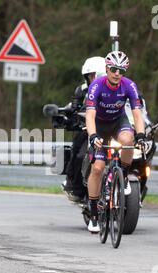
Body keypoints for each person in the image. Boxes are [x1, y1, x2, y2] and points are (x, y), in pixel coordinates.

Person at [85, 51, 146, 233]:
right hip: (99, 126)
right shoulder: (96, 86)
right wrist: (93, 135)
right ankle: (94, 214)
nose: (117, 73)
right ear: (107, 69)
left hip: (119, 122)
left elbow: (137, 113)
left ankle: (124, 175)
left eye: (121, 70)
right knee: (97, 168)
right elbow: (90, 115)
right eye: (113, 69)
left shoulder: (129, 86)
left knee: (128, 141)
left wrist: (141, 134)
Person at [62, 57, 106, 202]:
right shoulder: (82, 89)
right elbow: (74, 108)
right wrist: (71, 116)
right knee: (79, 152)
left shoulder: (115, 88)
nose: (90, 78)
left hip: (110, 128)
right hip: (88, 127)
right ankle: (75, 188)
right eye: (89, 76)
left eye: (92, 75)